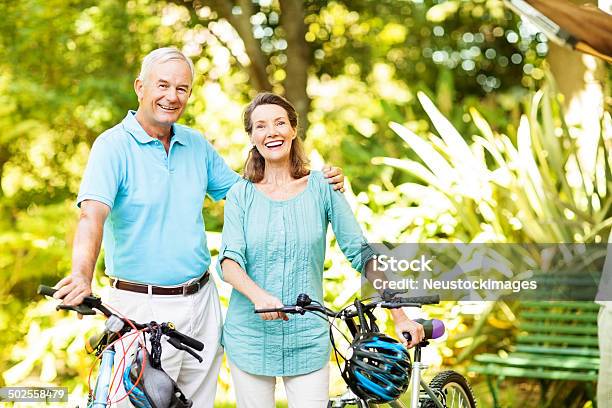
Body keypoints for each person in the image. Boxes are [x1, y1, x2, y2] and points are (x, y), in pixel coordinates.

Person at [52, 48, 345, 407]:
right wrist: (82, 275)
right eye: (162, 85)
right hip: (140, 308)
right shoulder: (112, 147)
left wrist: (311, 182)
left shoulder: (195, 144)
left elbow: (249, 192)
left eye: (182, 88)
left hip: (201, 304)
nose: (172, 96)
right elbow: (91, 215)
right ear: (140, 87)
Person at [218, 92, 425, 408]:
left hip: (308, 337)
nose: (271, 132)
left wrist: (399, 315)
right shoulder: (240, 195)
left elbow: (362, 253)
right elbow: (230, 262)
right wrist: (259, 296)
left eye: (279, 123)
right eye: (260, 126)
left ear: (293, 130)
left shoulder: (323, 187)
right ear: (252, 137)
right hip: (250, 338)